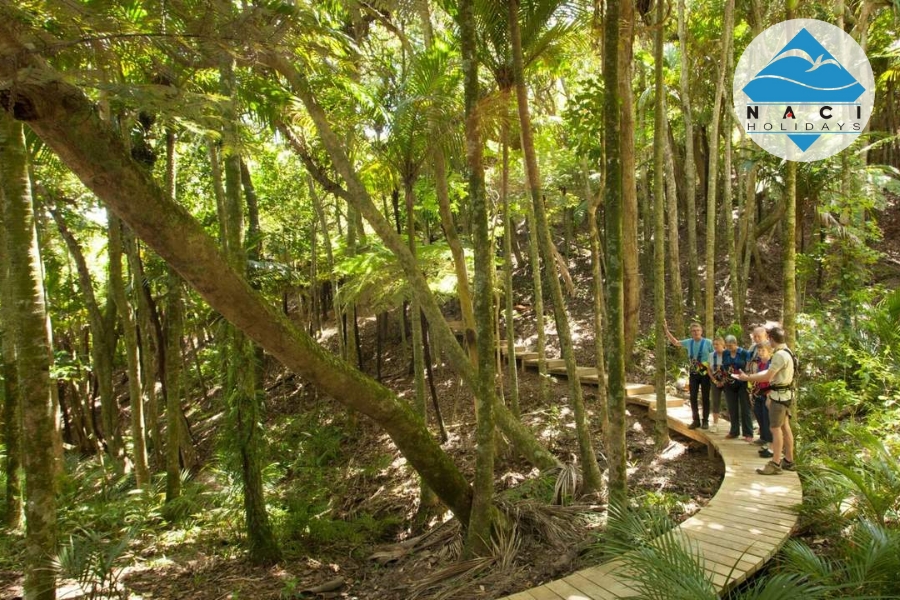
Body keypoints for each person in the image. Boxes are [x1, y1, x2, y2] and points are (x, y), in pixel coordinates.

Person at [735, 326, 796, 475]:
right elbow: (769, 372)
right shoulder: (787, 352)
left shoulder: (779, 355)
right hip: (786, 395)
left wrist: (747, 378)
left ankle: (775, 463)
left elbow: (768, 377)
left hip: (779, 397)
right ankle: (788, 460)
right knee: (785, 428)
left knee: (775, 429)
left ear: (772, 339)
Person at [665, 321, 712, 429]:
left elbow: (715, 355)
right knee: (693, 396)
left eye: (698, 330)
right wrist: (666, 331)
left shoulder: (708, 342)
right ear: (691, 332)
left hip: (705, 373)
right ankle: (696, 420)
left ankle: (705, 420)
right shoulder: (689, 342)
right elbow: (676, 342)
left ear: (701, 331)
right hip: (693, 373)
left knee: (705, 397)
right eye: (694, 331)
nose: (696, 332)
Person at [747, 327, 774, 454]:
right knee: (758, 414)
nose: (761, 353)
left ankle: (769, 442)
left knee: (766, 416)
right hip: (757, 391)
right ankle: (763, 437)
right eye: (759, 351)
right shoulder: (757, 362)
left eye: (763, 350)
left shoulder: (772, 363)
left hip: (768, 393)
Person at [722, 334, 753, 441]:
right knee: (732, 408)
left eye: (731, 346)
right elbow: (723, 366)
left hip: (742, 383)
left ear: (736, 344)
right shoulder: (725, 353)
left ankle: (748, 433)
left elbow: (749, 367)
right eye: (727, 346)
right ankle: (734, 431)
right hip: (729, 383)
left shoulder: (744, 353)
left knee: (745, 408)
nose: (729, 348)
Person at [707, 337, 727, 433]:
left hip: (727, 381)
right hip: (715, 381)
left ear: (723, 345)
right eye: (714, 344)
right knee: (715, 402)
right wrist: (715, 381)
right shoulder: (711, 355)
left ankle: (734, 426)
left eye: (717, 344)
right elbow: (709, 369)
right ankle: (715, 424)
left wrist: (723, 381)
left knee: (730, 402)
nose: (715, 346)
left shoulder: (727, 354)